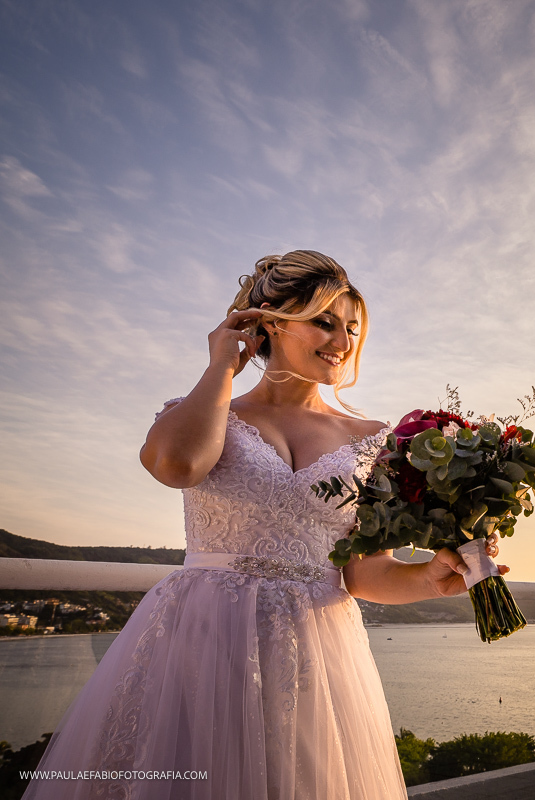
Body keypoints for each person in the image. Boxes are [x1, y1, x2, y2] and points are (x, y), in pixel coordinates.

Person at [23, 250, 504, 799]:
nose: (342, 342)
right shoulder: (208, 410)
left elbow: (361, 572)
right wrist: (220, 368)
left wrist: (429, 578)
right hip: (202, 635)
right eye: (324, 322)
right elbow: (176, 466)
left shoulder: (372, 440)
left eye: (351, 328)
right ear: (272, 323)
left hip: (315, 648)